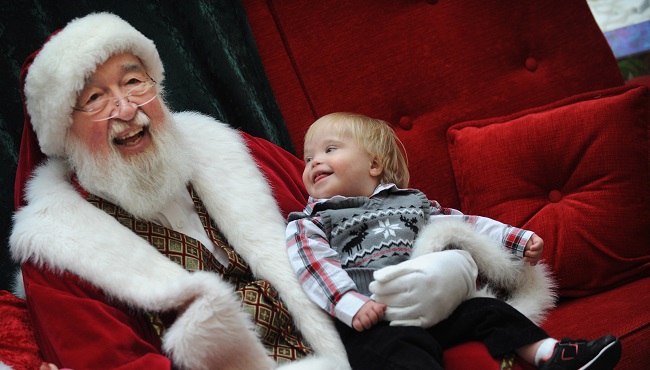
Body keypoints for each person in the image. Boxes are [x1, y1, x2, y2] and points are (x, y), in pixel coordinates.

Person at [11, 12, 353, 370]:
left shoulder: (238, 153)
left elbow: (355, 222)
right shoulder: (57, 254)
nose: (127, 109)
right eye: (95, 97)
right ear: (64, 131)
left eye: (133, 81)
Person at [285, 112, 623, 370]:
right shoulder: (313, 221)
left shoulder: (412, 203)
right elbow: (313, 265)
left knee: (488, 309)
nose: (315, 161)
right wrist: (349, 303)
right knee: (394, 350)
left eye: (329, 149)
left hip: (438, 308)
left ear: (374, 164)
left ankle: (549, 354)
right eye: (308, 157)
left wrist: (515, 239)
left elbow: (465, 224)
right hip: (374, 319)